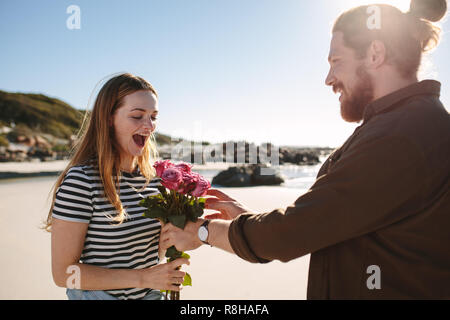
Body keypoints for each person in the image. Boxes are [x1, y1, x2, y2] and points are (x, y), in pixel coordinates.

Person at [160, 0, 450, 299]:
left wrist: (202, 232)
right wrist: (243, 218)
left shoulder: (401, 135)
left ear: (375, 54)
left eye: (336, 61)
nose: (328, 79)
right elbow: (326, 222)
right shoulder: (409, 123)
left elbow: (288, 235)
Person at [46, 73, 189, 300]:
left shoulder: (156, 180)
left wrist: (167, 247)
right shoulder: (82, 181)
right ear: (109, 118)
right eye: (137, 116)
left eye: (153, 116)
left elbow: (150, 257)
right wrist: (143, 278)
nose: (149, 126)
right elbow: (64, 274)